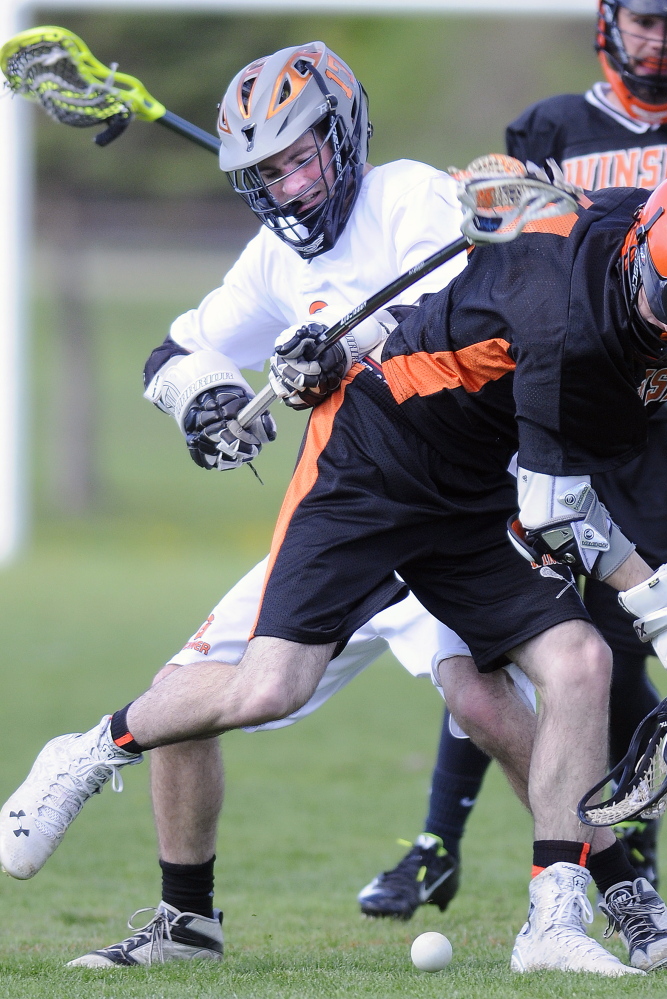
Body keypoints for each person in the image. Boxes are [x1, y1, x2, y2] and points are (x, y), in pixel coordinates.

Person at [0, 164, 667, 977]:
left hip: (470, 489)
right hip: (375, 462)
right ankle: (85, 752)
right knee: (271, 686)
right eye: (661, 297)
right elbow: (558, 512)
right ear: (639, 243)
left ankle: (554, 920)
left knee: (579, 663)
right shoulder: (565, 323)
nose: (665, 325)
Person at [0, 42, 543, 967]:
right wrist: (204, 401)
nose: (289, 189)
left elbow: (457, 313)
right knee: (189, 689)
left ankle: (605, 890)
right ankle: (187, 922)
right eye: (265, 175)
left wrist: (341, 343)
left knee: (490, 708)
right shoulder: (271, 262)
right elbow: (172, 353)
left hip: (451, 509)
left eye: (299, 159)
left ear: (344, 135)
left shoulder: (413, 197)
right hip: (344, 516)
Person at [357, 0, 667, 921]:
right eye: (645, 22)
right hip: (549, 427)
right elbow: (511, 270)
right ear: (609, 23)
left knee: (631, 650)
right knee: (509, 632)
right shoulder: (548, 127)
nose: (659, 42)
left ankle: (635, 869)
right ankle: (436, 841)